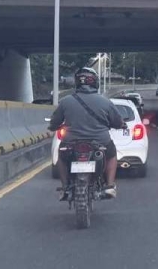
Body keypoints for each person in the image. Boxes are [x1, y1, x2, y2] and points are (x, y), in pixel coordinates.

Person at [48, 67, 127, 200]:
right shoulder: (105, 102)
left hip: (71, 141)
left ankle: (65, 187)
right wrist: (121, 125)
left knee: (61, 156)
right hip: (100, 141)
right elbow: (117, 121)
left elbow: (55, 121)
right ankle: (109, 186)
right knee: (112, 155)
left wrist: (53, 127)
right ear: (95, 83)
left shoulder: (66, 101)